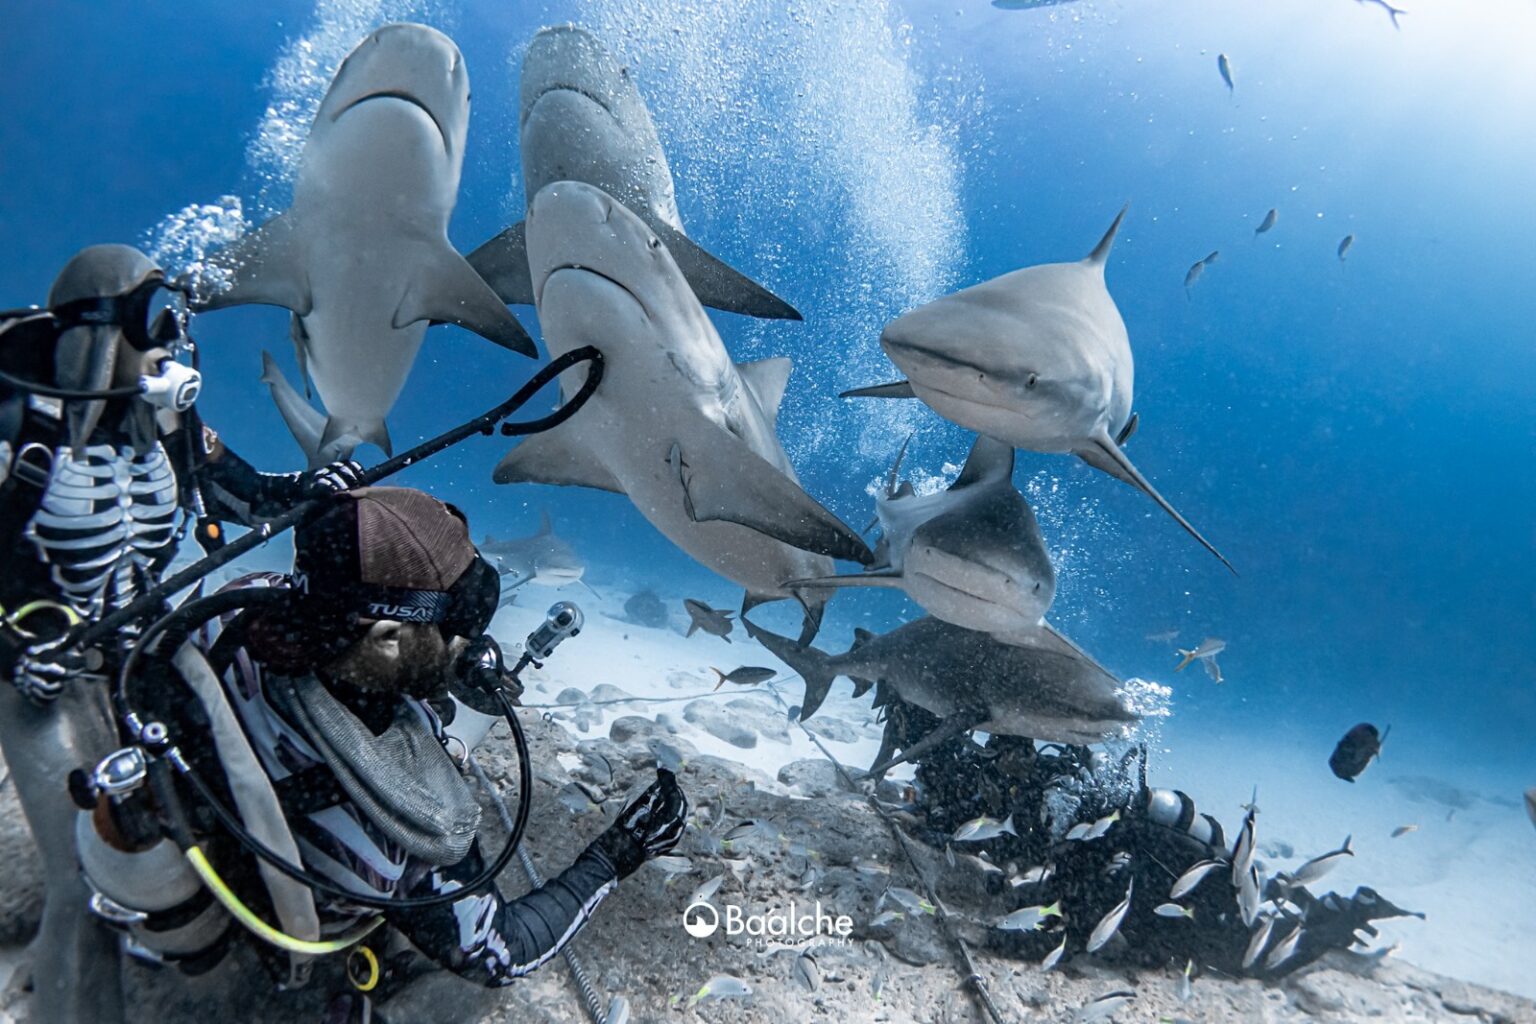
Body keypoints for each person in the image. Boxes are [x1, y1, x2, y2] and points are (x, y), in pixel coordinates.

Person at [101, 486, 687, 1016]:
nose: (474, 642)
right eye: (458, 627)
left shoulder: (228, 614)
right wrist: (616, 854)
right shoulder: (409, 816)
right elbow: (500, 953)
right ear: (385, 638)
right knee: (459, 996)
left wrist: (433, 658)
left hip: (218, 823)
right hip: (299, 918)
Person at [0, 243, 364, 1023]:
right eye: (154, 324)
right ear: (102, 331)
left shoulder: (166, 419)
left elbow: (247, 496)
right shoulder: (16, 422)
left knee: (227, 807)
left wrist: (313, 487)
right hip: (47, 677)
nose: (171, 349)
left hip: (157, 645)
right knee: (80, 877)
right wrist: (12, 648)